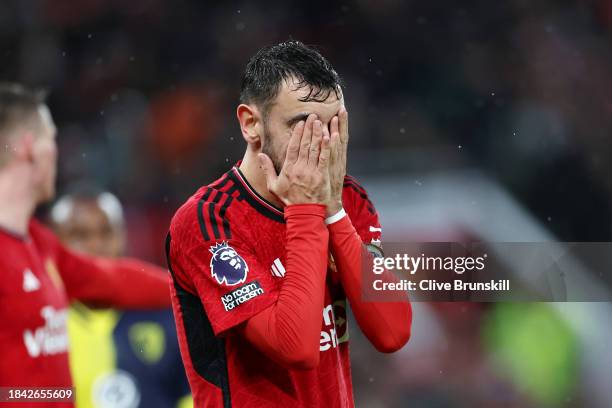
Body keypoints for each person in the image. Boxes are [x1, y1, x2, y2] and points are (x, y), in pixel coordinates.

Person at [166, 41, 412, 407]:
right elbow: (294, 346)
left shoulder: (348, 199)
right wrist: (306, 211)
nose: (322, 143)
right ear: (251, 124)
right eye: (303, 125)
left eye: (333, 125)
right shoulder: (208, 221)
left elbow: (392, 332)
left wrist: (333, 212)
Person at [0, 83, 170, 407]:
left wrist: (202, 289)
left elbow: (110, 281)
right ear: (28, 148)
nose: (57, 149)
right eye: (50, 138)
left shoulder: (39, 243)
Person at [50, 188, 192, 408]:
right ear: (55, 243)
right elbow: (15, 395)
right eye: (80, 235)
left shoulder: (167, 314)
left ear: (123, 236)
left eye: (106, 233)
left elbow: (193, 396)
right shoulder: (43, 321)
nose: (96, 246)